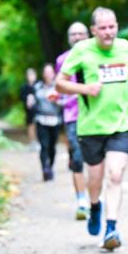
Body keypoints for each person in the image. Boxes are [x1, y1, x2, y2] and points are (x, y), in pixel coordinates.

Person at [55, 7, 128, 251]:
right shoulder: (81, 51)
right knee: (95, 178)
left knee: (115, 175)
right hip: (91, 127)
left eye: (112, 27)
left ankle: (111, 228)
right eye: (103, 28)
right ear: (93, 30)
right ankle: (95, 207)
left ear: (117, 26)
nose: (108, 32)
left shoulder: (126, 48)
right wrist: (86, 89)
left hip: (121, 123)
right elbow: (59, 83)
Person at [53, 22, 91, 219]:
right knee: (77, 158)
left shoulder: (97, 56)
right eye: (73, 34)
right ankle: (82, 201)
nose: (77, 37)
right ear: (69, 38)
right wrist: (57, 96)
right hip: (72, 116)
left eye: (81, 34)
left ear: (88, 35)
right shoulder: (62, 60)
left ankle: (95, 198)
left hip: (95, 115)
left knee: (95, 160)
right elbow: (59, 87)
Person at [32, 62, 64, 181]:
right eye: (46, 72)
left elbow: (65, 103)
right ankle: (45, 168)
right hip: (41, 120)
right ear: (43, 74)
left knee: (52, 147)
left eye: (50, 72)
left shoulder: (59, 87)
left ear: (53, 74)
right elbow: (33, 102)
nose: (48, 75)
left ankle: (50, 166)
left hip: (55, 121)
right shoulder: (37, 87)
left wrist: (56, 101)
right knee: (44, 146)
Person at [19, 68, 39, 149]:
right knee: (30, 125)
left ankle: (38, 141)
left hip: (38, 110)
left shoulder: (38, 85)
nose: (31, 77)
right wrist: (27, 100)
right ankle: (32, 142)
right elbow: (21, 97)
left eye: (33, 74)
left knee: (38, 125)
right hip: (29, 110)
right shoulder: (24, 87)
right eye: (30, 75)